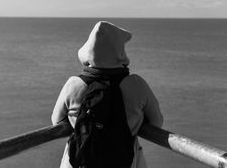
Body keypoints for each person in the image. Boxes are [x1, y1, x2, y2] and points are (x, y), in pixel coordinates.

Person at [52, 21, 163, 168]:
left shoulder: (74, 84)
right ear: (120, 52)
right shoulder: (136, 84)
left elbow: (57, 121)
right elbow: (157, 123)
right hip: (125, 162)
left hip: (80, 162)